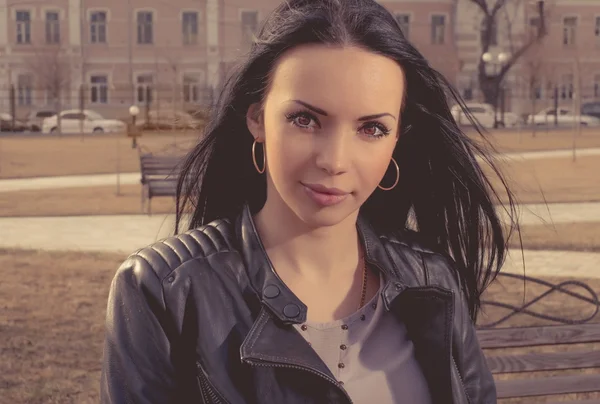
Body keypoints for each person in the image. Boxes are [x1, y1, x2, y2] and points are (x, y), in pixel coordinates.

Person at [101, 0, 518, 402]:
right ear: (256, 119)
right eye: (305, 120)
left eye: (371, 129)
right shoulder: (162, 290)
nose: (334, 161)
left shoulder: (432, 279)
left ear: (396, 141)